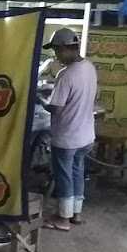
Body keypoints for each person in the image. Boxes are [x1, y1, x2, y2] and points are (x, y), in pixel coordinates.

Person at [42, 27, 97, 232]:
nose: (56, 56)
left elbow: (56, 108)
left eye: (57, 51)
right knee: (77, 173)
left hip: (67, 138)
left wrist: (40, 100)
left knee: (64, 176)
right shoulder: (89, 67)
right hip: (86, 135)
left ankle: (62, 219)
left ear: (67, 48)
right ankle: (76, 214)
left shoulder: (66, 74)